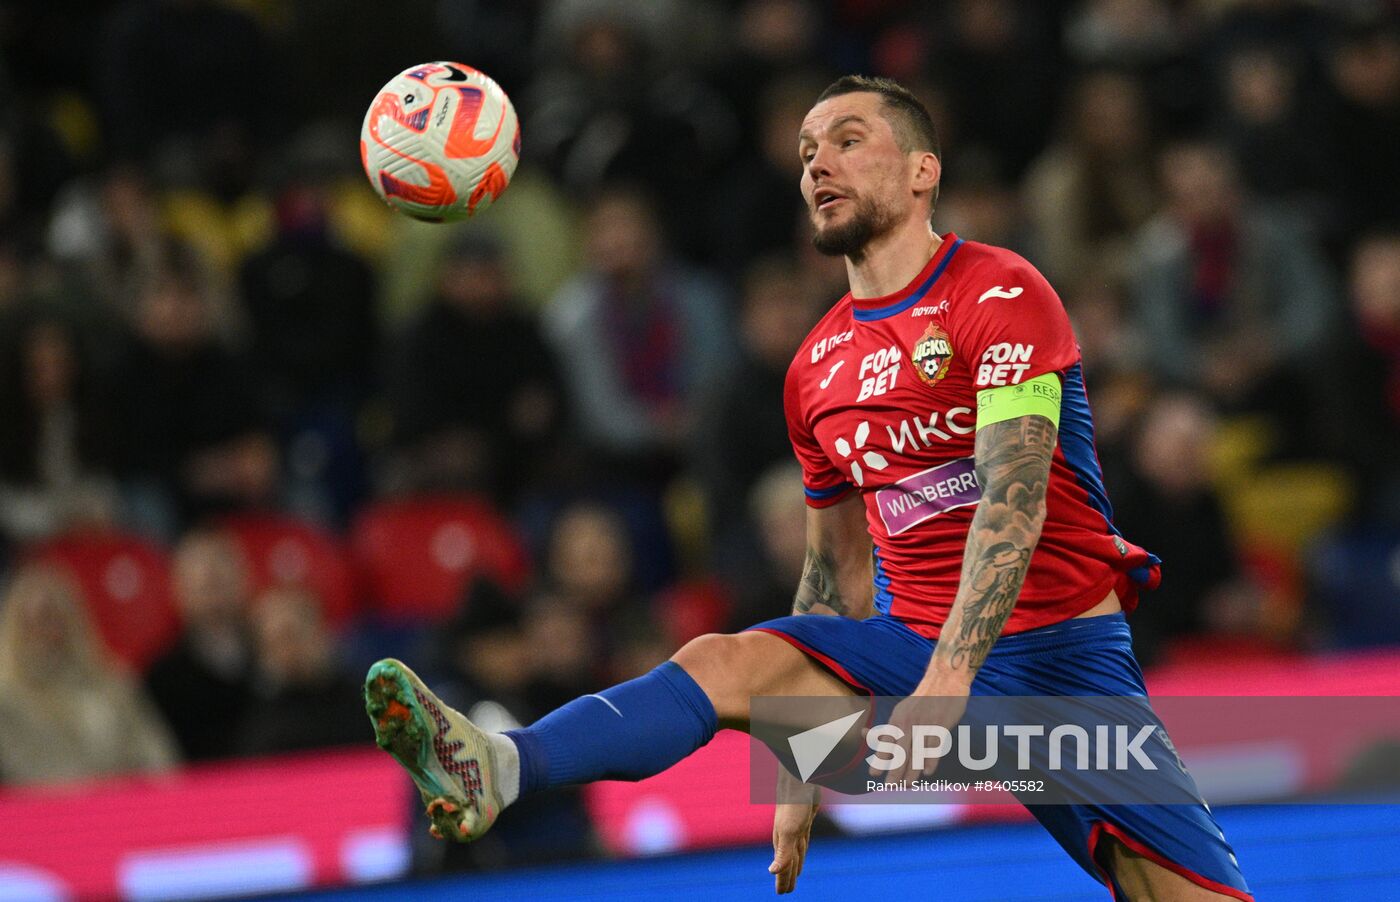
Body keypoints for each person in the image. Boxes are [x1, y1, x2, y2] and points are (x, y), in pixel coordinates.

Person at [364, 76, 1252, 900]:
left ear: (920, 172)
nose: (816, 163)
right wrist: (801, 767)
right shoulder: (815, 370)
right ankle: (499, 764)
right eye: (804, 151)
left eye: (846, 140)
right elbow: (831, 583)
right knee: (725, 660)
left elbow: (1011, 503)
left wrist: (952, 679)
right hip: (910, 654)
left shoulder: (1002, 290)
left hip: (1061, 667)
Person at [0, 564, 178, 784]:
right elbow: (22, 774)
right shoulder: (7, 700)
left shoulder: (114, 684)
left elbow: (158, 757)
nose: (41, 631)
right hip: (43, 814)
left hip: (127, 806)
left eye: (49, 617)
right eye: (28, 621)